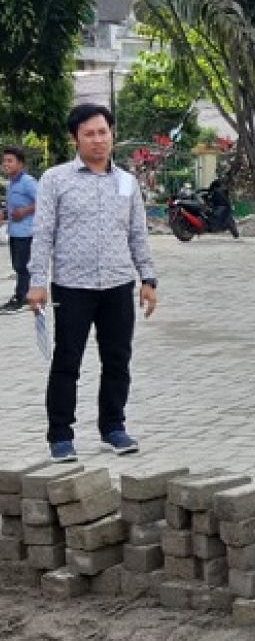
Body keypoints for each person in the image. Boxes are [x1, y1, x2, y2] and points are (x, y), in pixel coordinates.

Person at [27, 104, 158, 463]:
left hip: (118, 285)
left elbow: (137, 234)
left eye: (104, 132)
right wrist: (37, 283)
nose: (98, 140)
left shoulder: (127, 182)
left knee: (118, 359)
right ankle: (60, 435)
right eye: (90, 134)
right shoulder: (56, 179)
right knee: (67, 360)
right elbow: (43, 235)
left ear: (112, 135)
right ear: (75, 139)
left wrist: (148, 279)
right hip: (72, 286)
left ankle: (113, 427)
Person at [1, 146, 37, 314]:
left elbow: (43, 202)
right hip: (14, 232)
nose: (5, 164)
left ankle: (20, 298)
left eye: (10, 161)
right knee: (17, 266)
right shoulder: (11, 183)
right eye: (4, 161)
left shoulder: (28, 182)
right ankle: (25, 295)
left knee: (21, 266)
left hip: (27, 232)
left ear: (20, 164)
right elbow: (13, 207)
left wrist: (25, 211)